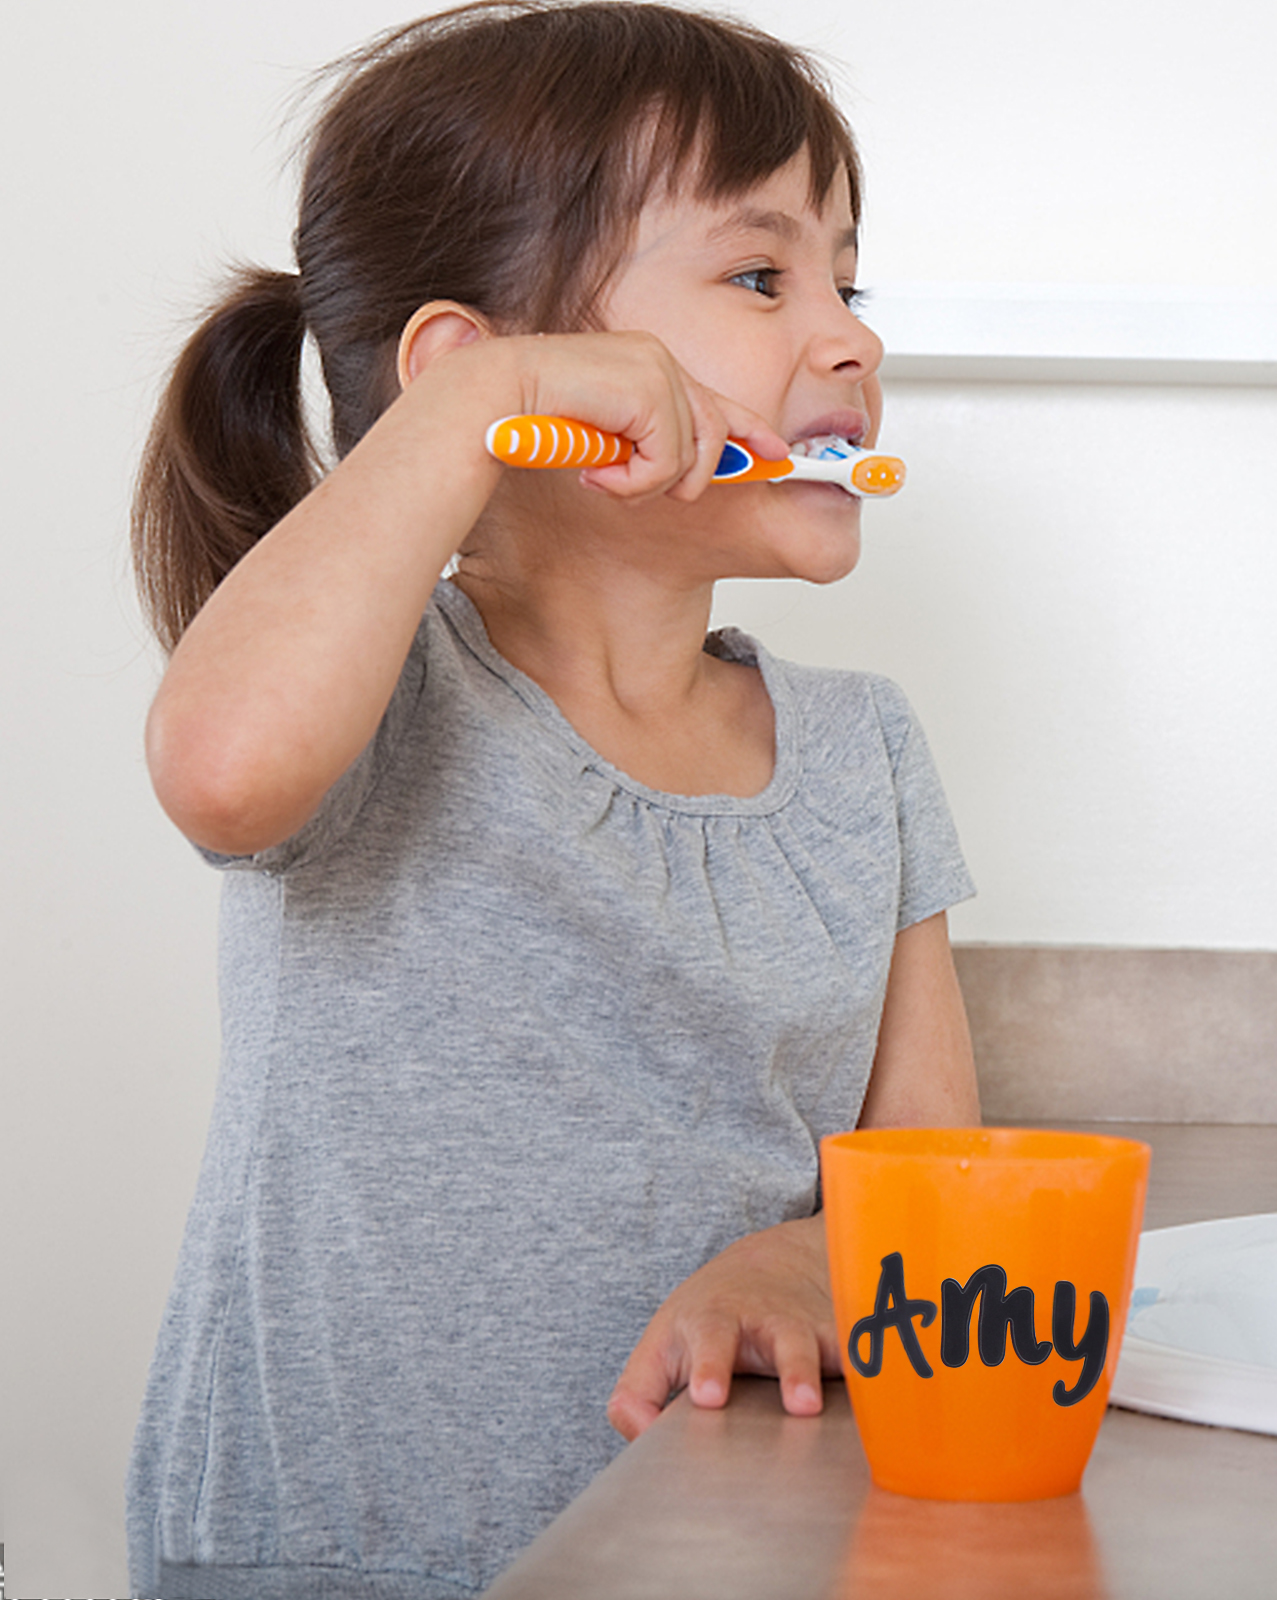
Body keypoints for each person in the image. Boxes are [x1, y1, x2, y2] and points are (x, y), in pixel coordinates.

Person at [125, 3, 979, 1595]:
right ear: (492, 375)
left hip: (712, 1555)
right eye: (760, 277)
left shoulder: (863, 752)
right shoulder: (380, 694)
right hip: (332, 1562)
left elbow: (933, 1179)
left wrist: (810, 1259)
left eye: (848, 286)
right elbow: (221, 769)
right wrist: (464, 413)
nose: (852, 341)